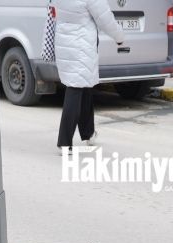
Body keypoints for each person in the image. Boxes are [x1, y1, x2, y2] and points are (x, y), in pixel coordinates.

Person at [54, 0, 126, 152]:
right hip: (81, 46)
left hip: (65, 42)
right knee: (75, 89)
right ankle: (64, 142)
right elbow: (105, 18)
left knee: (84, 87)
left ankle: (88, 133)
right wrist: (119, 37)